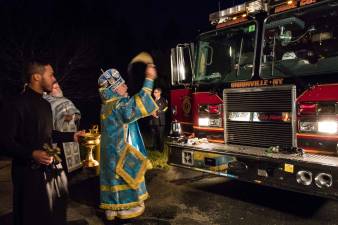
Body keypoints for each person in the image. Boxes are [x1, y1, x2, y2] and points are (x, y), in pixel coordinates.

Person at [0, 60, 84, 225]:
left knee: (48, 214)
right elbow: (4, 142)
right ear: (36, 77)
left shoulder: (45, 104)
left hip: (47, 169)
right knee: (29, 216)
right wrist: (31, 154)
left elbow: (47, 134)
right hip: (26, 173)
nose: (54, 79)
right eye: (51, 75)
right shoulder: (15, 104)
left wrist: (72, 136)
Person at [98, 64, 158, 221]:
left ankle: (113, 209)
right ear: (114, 89)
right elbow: (135, 106)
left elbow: (129, 115)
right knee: (128, 175)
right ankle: (127, 208)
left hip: (109, 154)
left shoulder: (106, 106)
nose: (125, 86)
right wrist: (149, 79)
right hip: (120, 152)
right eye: (121, 84)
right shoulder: (118, 105)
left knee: (112, 179)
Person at [44, 82, 82, 173]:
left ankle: (73, 174)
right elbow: (49, 117)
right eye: (54, 87)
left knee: (73, 163)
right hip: (59, 135)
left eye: (58, 86)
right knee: (61, 164)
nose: (57, 88)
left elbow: (77, 114)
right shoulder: (46, 101)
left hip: (71, 132)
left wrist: (74, 116)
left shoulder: (67, 100)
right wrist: (62, 118)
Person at [149, 87, 168, 152]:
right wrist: (152, 113)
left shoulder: (163, 100)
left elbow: (165, 108)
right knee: (154, 135)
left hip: (160, 121)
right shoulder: (152, 100)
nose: (154, 93)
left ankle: (161, 149)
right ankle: (155, 148)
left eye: (156, 92)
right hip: (153, 120)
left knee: (160, 135)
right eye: (154, 92)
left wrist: (158, 113)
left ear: (159, 93)